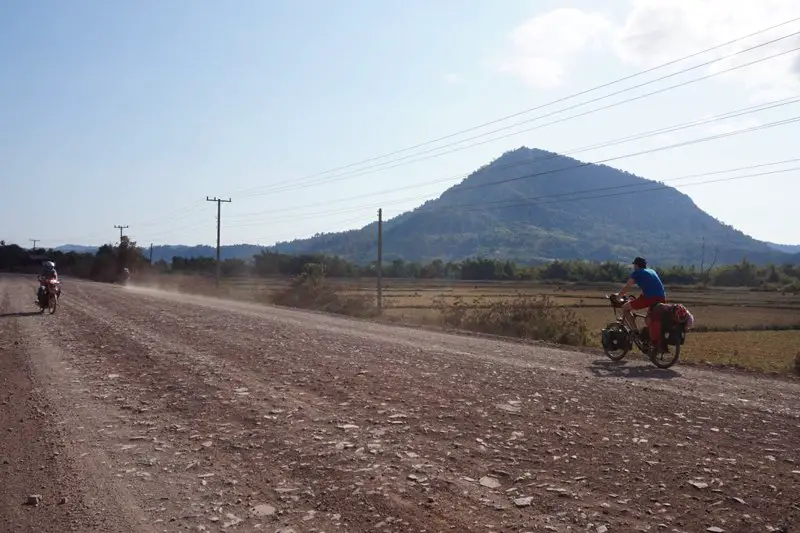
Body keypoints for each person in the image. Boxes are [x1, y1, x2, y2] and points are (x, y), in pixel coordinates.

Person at [617, 257, 666, 337]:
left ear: (636, 265)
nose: (634, 267)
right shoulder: (652, 271)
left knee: (625, 308)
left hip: (650, 298)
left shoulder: (637, 272)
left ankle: (635, 332)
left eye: (634, 265)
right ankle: (650, 338)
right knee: (649, 319)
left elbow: (627, 287)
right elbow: (649, 287)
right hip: (661, 297)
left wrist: (618, 297)